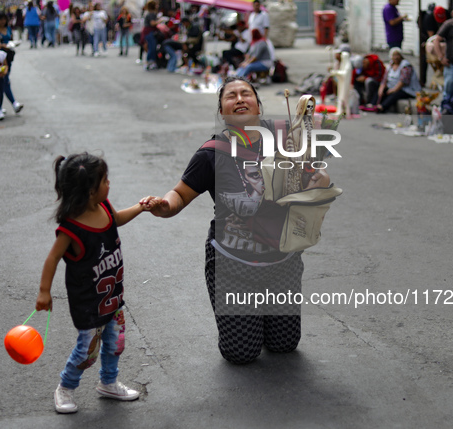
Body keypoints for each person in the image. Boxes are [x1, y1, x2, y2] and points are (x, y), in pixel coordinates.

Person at [140, 77, 330, 364]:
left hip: (282, 263)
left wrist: (319, 180)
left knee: (284, 345)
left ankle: (263, 315)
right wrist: (165, 205)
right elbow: (179, 194)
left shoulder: (286, 140)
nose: (239, 99)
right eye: (231, 96)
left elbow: (317, 178)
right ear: (222, 111)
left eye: (246, 93)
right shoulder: (211, 153)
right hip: (233, 266)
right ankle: (247, 317)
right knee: (241, 353)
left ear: (258, 104)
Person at [35, 153, 157, 413]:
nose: (109, 184)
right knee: (86, 353)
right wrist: (44, 292)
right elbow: (53, 258)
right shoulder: (72, 229)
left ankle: (109, 383)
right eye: (105, 180)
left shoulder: (104, 207)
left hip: (112, 298)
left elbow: (118, 220)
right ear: (91, 191)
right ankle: (65, 388)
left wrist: (140, 207)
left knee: (116, 344)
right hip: (89, 304)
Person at [376, 47, 422, 112]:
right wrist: (381, 88)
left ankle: (383, 107)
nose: (396, 57)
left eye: (397, 55)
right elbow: (384, 79)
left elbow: (403, 81)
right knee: (382, 89)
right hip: (394, 87)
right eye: (394, 55)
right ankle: (373, 104)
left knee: (395, 94)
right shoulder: (390, 65)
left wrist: (393, 90)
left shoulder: (406, 66)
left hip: (408, 89)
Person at [141, 1, 162, 70]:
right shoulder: (152, 14)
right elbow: (152, 23)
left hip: (148, 32)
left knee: (151, 47)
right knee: (152, 47)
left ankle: (150, 61)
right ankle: (150, 61)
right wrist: (160, 20)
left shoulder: (149, 13)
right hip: (150, 32)